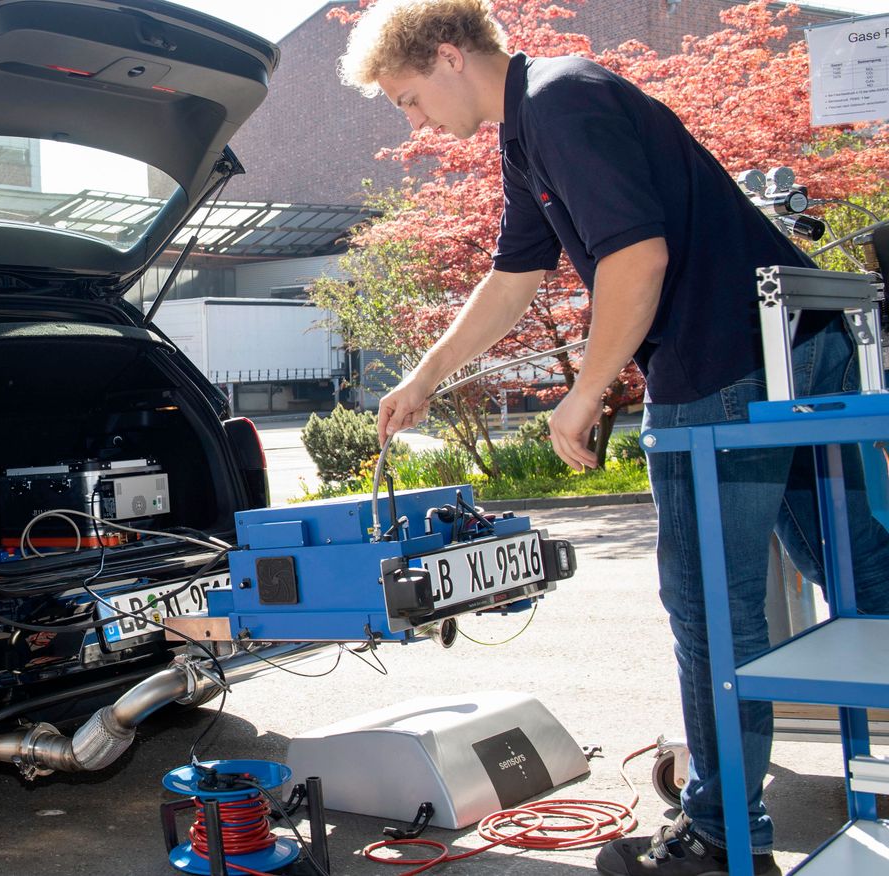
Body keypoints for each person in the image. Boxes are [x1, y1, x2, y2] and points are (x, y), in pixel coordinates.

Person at [337, 2, 889, 875]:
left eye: (408, 98)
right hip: (791, 344)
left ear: (449, 57)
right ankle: (728, 812)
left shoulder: (560, 103)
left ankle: (718, 837)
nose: (416, 123)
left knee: (713, 608)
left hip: (723, 364)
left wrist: (585, 393)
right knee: (858, 571)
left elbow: (638, 257)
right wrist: (424, 377)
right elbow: (515, 275)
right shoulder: (530, 126)